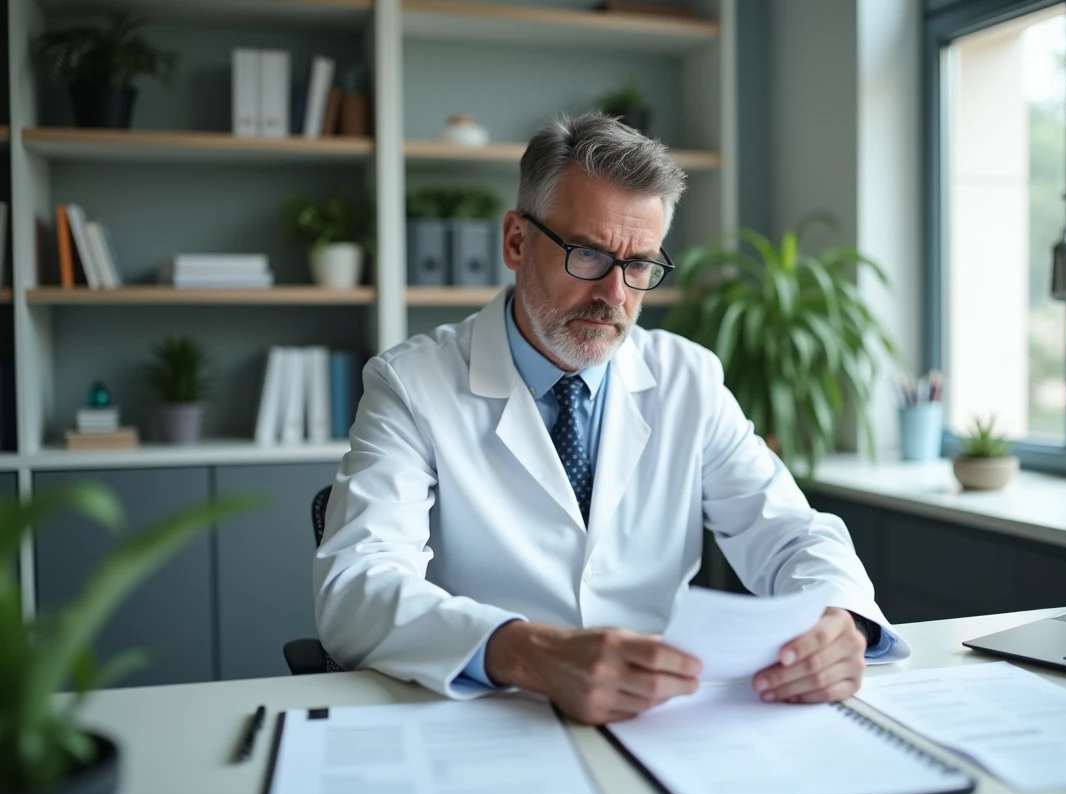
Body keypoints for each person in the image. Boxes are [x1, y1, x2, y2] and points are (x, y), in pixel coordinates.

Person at [315, 113, 909, 725]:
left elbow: (789, 533)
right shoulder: (411, 383)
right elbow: (358, 584)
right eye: (589, 255)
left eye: (640, 264)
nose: (615, 295)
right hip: (490, 714)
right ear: (516, 241)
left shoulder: (688, 378)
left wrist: (840, 619)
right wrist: (529, 653)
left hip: (657, 719)